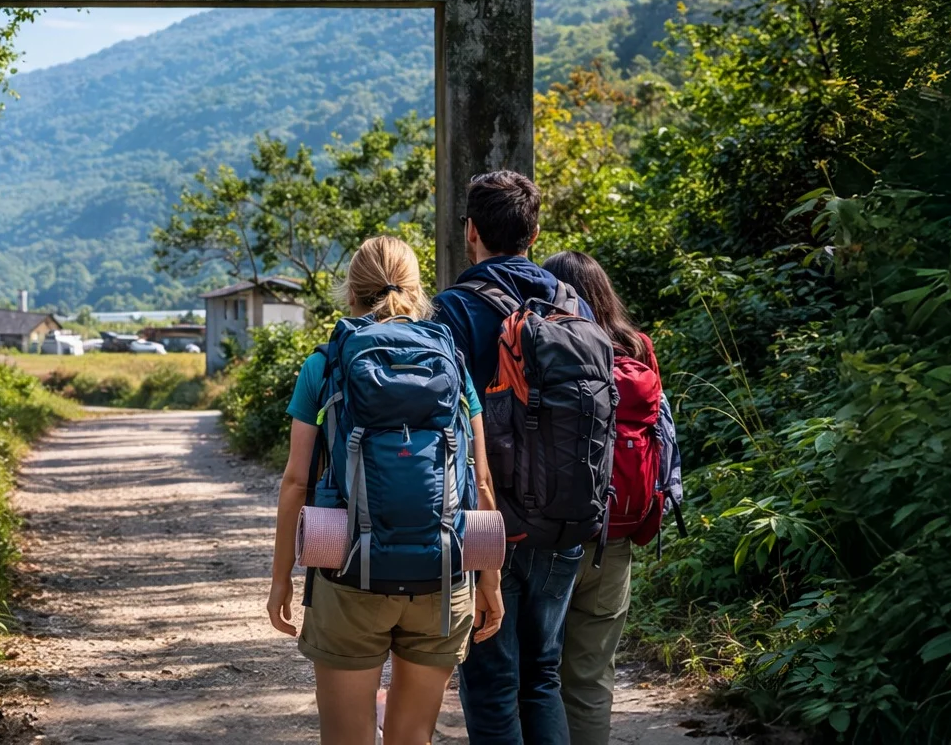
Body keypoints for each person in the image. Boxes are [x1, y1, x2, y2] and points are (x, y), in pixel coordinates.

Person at [267, 235, 504, 745]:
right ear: (418, 291)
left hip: (347, 571)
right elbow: (480, 481)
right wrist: (490, 581)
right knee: (412, 738)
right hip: (443, 573)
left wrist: (282, 577)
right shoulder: (453, 363)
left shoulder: (325, 364)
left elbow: (295, 481)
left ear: (350, 293)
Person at [432, 171, 593, 745]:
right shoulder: (573, 303)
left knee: (490, 679)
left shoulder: (452, 310)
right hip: (564, 513)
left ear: (470, 231)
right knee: (541, 675)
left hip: (485, 519)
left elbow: (441, 422)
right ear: (535, 231)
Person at [541, 250, 660, 745]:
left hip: (551, 534)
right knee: (591, 676)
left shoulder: (548, 344)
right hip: (617, 533)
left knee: (538, 672)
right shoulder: (638, 347)